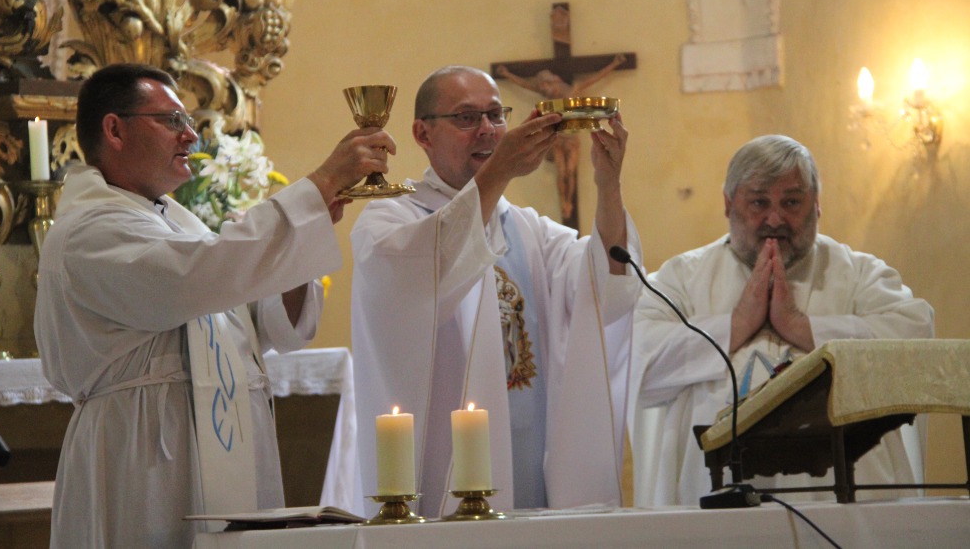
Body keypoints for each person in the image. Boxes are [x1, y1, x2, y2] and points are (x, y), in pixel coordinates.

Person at [34, 63, 395, 547]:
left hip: (209, 452)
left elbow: (269, 328)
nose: (190, 136)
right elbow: (190, 279)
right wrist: (320, 182)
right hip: (143, 460)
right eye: (172, 121)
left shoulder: (179, 224)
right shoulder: (89, 230)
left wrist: (300, 241)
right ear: (114, 129)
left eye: (188, 121)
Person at [350, 65, 644, 518]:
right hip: (439, 474)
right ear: (423, 133)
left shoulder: (528, 230)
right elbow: (419, 282)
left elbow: (607, 287)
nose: (487, 130)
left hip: (533, 469)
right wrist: (501, 169)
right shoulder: (393, 219)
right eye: (466, 118)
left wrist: (609, 185)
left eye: (495, 115)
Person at [629, 134, 934, 506]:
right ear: (728, 204)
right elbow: (635, 358)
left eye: (791, 202)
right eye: (759, 202)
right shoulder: (682, 278)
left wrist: (803, 328)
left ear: (817, 204)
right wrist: (736, 325)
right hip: (713, 502)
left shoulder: (857, 274)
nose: (775, 219)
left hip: (845, 505)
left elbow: (915, 340)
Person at [495, 54, 627, 226]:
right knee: (561, 171)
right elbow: (525, 85)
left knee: (570, 171)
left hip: (571, 139)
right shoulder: (549, 97)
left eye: (546, 86)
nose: (545, 91)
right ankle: (564, 201)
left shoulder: (572, 91)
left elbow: (595, 78)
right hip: (557, 138)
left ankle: (568, 202)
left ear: (553, 82)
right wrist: (506, 74)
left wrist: (614, 64)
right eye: (542, 88)